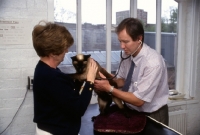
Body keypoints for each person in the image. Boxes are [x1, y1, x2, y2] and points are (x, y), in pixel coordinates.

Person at [94, 18, 169, 125]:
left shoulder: (153, 63)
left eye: (126, 41)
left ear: (139, 39)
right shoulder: (127, 55)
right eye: (120, 41)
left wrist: (108, 88)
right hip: (132, 111)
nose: (122, 46)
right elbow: (123, 81)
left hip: (153, 115)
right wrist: (107, 78)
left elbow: (139, 100)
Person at [32, 21, 98, 135]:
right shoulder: (51, 77)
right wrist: (90, 81)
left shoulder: (44, 69)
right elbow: (78, 109)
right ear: (53, 52)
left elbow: (66, 98)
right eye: (64, 48)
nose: (66, 51)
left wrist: (80, 80)